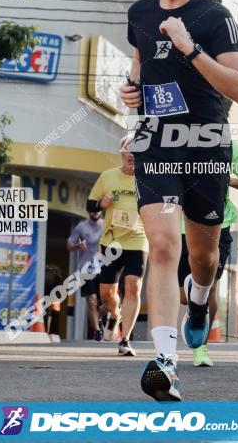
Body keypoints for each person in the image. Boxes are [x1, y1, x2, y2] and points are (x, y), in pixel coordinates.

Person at [120, 0, 238, 401]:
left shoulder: (215, 17)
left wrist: (190, 48)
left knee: (202, 257)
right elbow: (139, 69)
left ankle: (198, 302)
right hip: (157, 141)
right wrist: (130, 100)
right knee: (161, 247)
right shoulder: (137, 13)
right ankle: (165, 363)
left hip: (206, 140)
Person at [178, 139, 238, 366]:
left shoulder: (229, 146)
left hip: (218, 225)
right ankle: (195, 311)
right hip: (183, 226)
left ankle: (201, 347)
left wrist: (228, 180)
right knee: (186, 297)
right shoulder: (178, 140)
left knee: (210, 288)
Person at [86, 137, 148, 357]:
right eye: (128, 151)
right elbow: (90, 204)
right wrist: (101, 204)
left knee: (133, 286)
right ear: (121, 153)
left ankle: (125, 339)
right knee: (106, 294)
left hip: (138, 240)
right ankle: (115, 314)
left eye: (137, 151)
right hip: (111, 242)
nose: (132, 155)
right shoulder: (108, 176)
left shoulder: (148, 178)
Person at [67, 209, 105, 339]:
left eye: (97, 210)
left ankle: (98, 318)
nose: (95, 213)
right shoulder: (81, 226)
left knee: (107, 301)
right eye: (92, 210)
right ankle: (97, 331)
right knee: (91, 300)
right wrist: (78, 246)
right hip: (86, 268)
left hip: (104, 267)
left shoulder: (106, 225)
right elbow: (69, 245)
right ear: (89, 212)